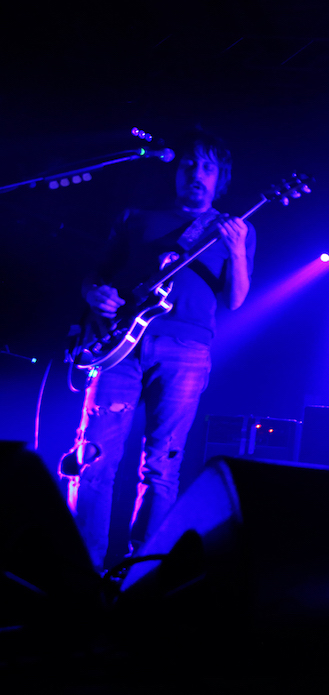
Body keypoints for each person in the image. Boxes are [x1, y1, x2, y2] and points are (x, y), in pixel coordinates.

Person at [70, 129, 255, 569]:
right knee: (93, 457)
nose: (196, 174)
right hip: (119, 348)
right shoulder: (136, 218)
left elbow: (235, 300)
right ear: (176, 171)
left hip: (186, 350)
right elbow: (95, 275)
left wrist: (236, 250)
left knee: (161, 466)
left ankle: (140, 573)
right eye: (189, 164)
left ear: (220, 178)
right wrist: (94, 294)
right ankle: (83, 569)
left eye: (207, 167)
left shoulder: (234, 228)